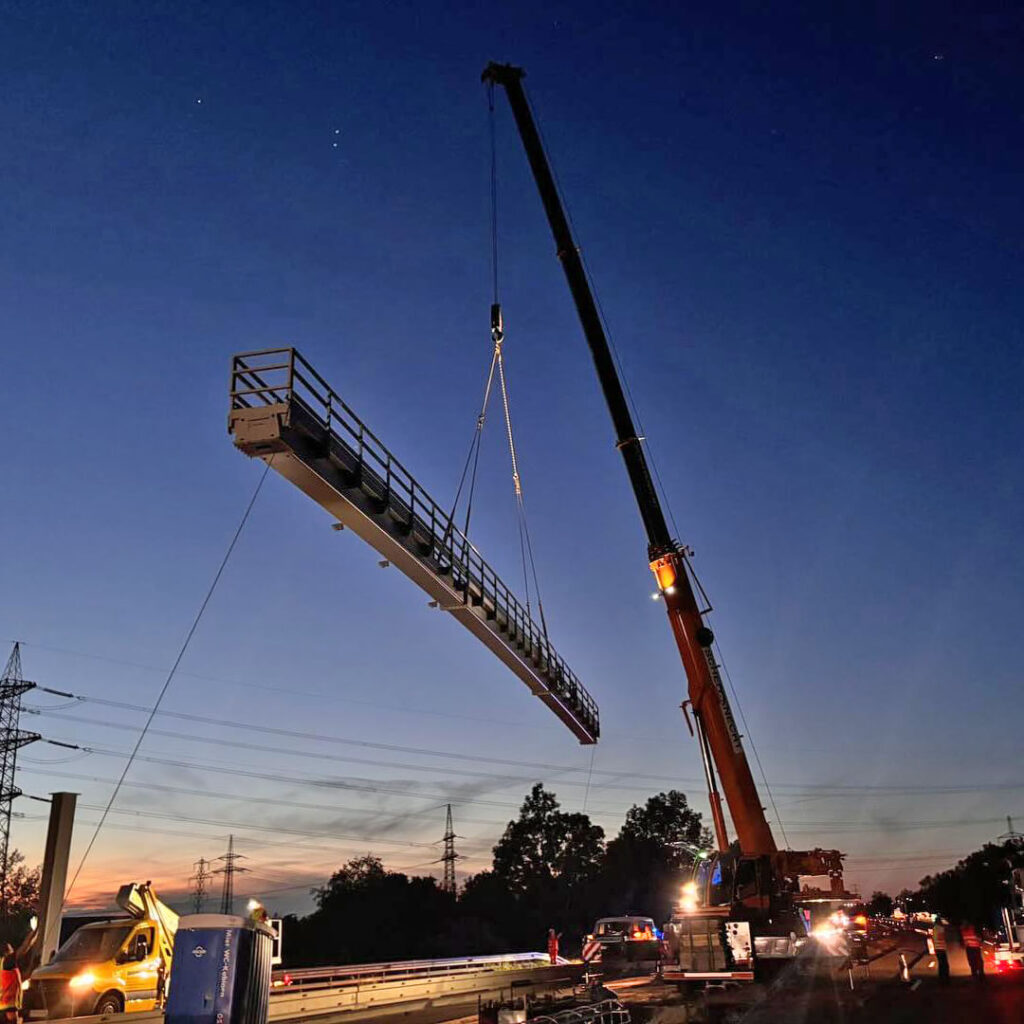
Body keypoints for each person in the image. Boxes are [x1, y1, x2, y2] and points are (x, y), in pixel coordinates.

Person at [0, 943, 22, 1024]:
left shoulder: (7, 965)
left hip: (5, 1005)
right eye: (11, 949)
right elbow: (25, 947)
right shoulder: (8, 961)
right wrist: (35, 932)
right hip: (8, 1005)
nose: (13, 950)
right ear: (6, 953)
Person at [932, 916, 949, 984]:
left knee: (940, 964)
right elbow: (941, 937)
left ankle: (941, 978)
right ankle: (945, 979)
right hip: (941, 947)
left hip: (936, 948)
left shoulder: (934, 928)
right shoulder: (940, 928)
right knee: (945, 964)